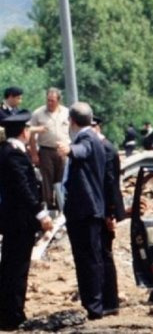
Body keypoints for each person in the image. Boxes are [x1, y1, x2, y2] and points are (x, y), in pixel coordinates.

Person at [0, 111, 53, 330]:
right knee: (17, 268)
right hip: (19, 220)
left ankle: (7, 311)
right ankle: (13, 315)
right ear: (24, 132)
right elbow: (23, 188)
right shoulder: (14, 154)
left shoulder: (5, 151)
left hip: (12, 219)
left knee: (9, 266)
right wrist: (41, 214)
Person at [56, 102, 107, 320]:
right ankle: (93, 304)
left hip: (85, 211)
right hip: (87, 209)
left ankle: (94, 306)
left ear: (73, 121)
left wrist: (69, 150)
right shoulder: (93, 138)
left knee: (88, 259)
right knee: (89, 258)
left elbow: (81, 151)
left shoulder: (86, 139)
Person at [91, 116, 126, 315]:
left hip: (105, 210)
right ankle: (108, 300)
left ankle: (110, 301)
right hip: (105, 209)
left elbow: (110, 184)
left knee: (104, 255)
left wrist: (109, 213)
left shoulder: (104, 149)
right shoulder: (106, 147)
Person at [28, 87, 70, 213]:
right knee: (47, 179)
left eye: (53, 101)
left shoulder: (66, 112)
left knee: (62, 178)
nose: (50, 103)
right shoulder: (38, 113)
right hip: (46, 150)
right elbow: (30, 134)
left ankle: (62, 205)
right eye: (48, 100)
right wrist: (34, 154)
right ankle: (49, 207)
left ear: (59, 100)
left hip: (63, 149)